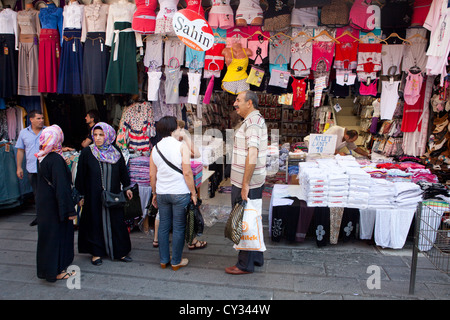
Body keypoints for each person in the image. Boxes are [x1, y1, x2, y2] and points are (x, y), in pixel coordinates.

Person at [75, 122, 133, 266]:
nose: (98, 138)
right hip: (93, 196)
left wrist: (127, 187)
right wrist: (80, 195)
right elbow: (80, 176)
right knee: (95, 222)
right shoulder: (87, 153)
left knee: (116, 222)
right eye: (95, 135)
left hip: (113, 195)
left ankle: (120, 251)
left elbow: (122, 172)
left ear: (108, 135)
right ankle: (96, 252)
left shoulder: (115, 151)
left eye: (101, 135)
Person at [226, 90, 268, 275]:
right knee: (252, 218)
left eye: (238, 100)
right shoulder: (255, 121)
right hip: (251, 181)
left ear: (249, 103)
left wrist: (245, 184)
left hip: (247, 182)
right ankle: (256, 257)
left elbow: (253, 154)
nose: (235, 104)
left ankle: (244, 264)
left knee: (244, 221)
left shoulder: (252, 123)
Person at [149, 116, 198, 271]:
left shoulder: (155, 148)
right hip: (179, 192)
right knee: (178, 227)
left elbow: (152, 175)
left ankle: (164, 260)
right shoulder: (181, 146)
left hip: (162, 192)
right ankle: (176, 261)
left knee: (163, 226)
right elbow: (187, 172)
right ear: (173, 128)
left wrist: (154, 193)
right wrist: (193, 192)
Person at [35, 125, 77, 282]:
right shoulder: (56, 160)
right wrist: (69, 211)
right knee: (57, 237)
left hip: (45, 205)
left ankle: (47, 270)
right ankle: (56, 271)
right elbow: (62, 188)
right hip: (55, 206)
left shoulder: (42, 156)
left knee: (47, 237)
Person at [15, 110, 46, 226]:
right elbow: (20, 151)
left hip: (46, 168)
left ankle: (50, 217)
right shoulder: (24, 133)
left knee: (49, 193)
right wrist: (19, 167)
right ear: (31, 119)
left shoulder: (48, 131)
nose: (41, 120)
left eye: (42, 118)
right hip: (32, 169)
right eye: (38, 118)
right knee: (37, 194)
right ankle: (39, 217)